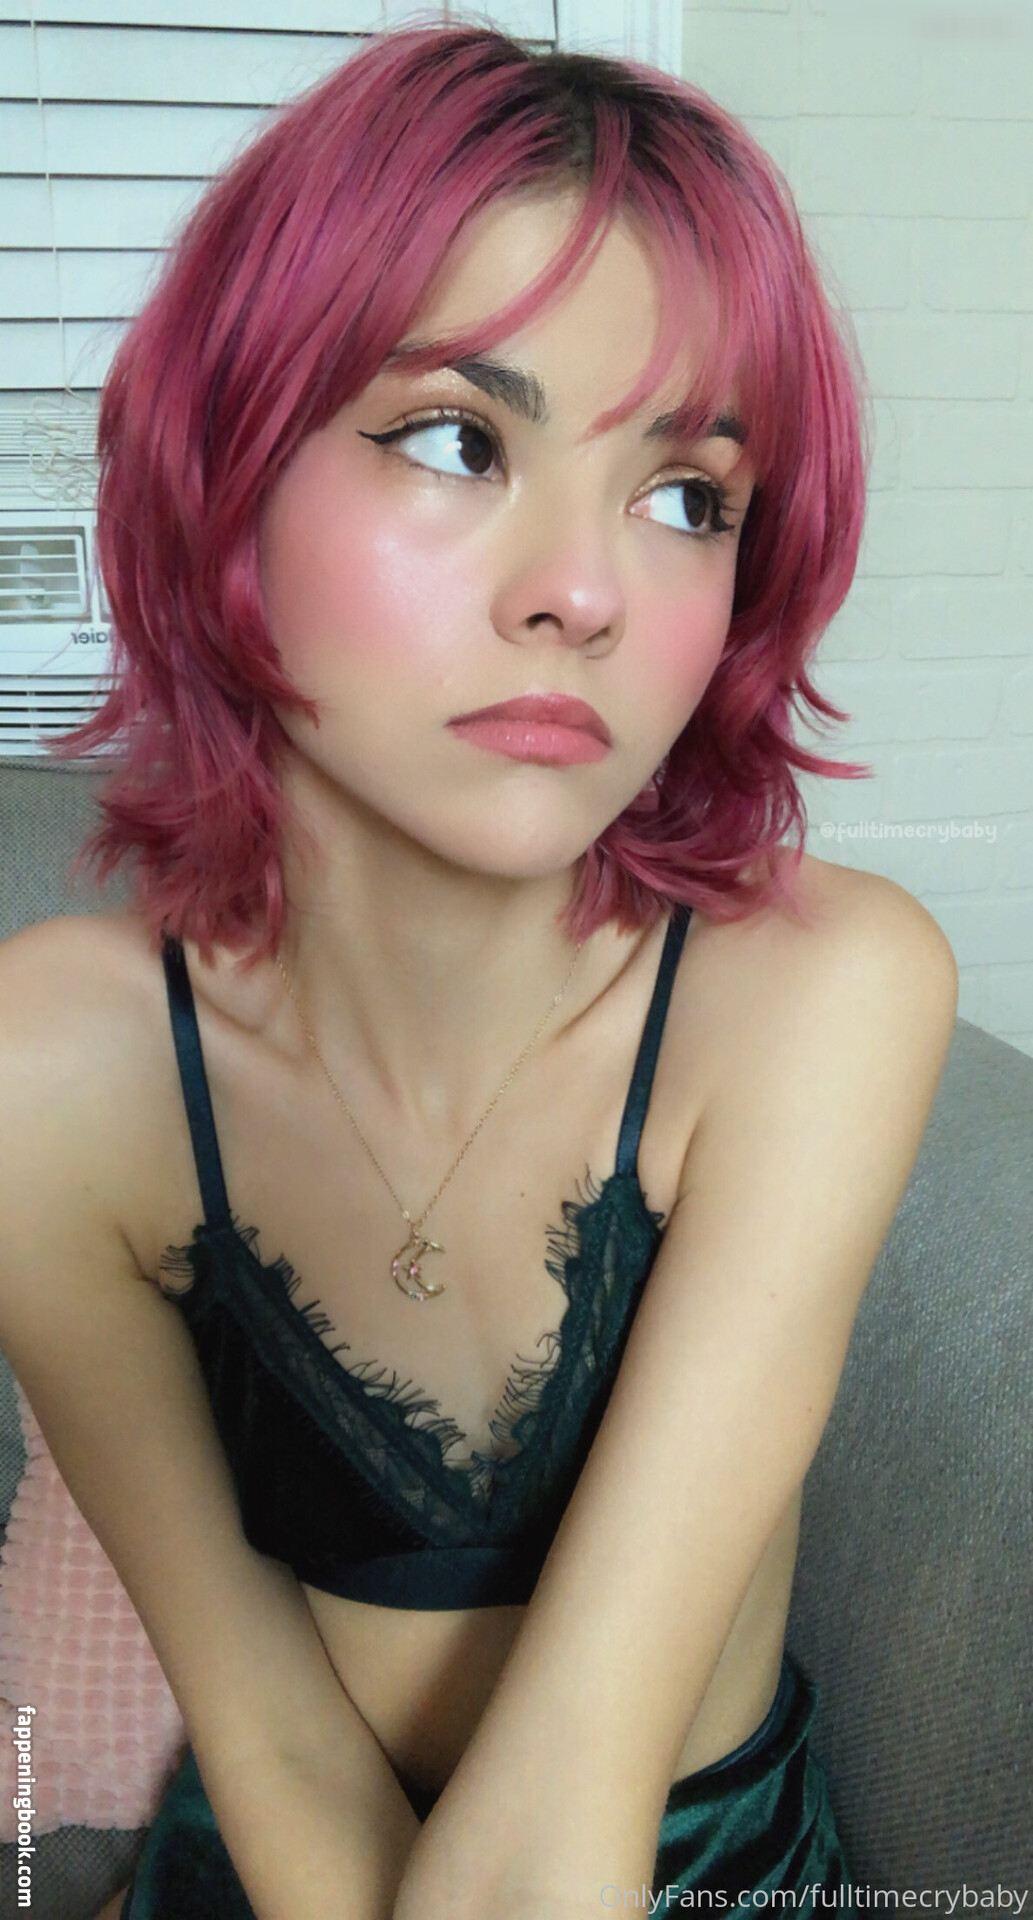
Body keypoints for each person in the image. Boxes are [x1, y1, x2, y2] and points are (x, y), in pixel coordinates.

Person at [0, 21, 958, 1920]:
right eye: (457, 439)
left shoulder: (813, 999)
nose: (583, 592)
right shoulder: (51, 1068)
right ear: (224, 466)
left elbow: (570, 1813)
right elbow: (270, 1747)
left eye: (685, 496)